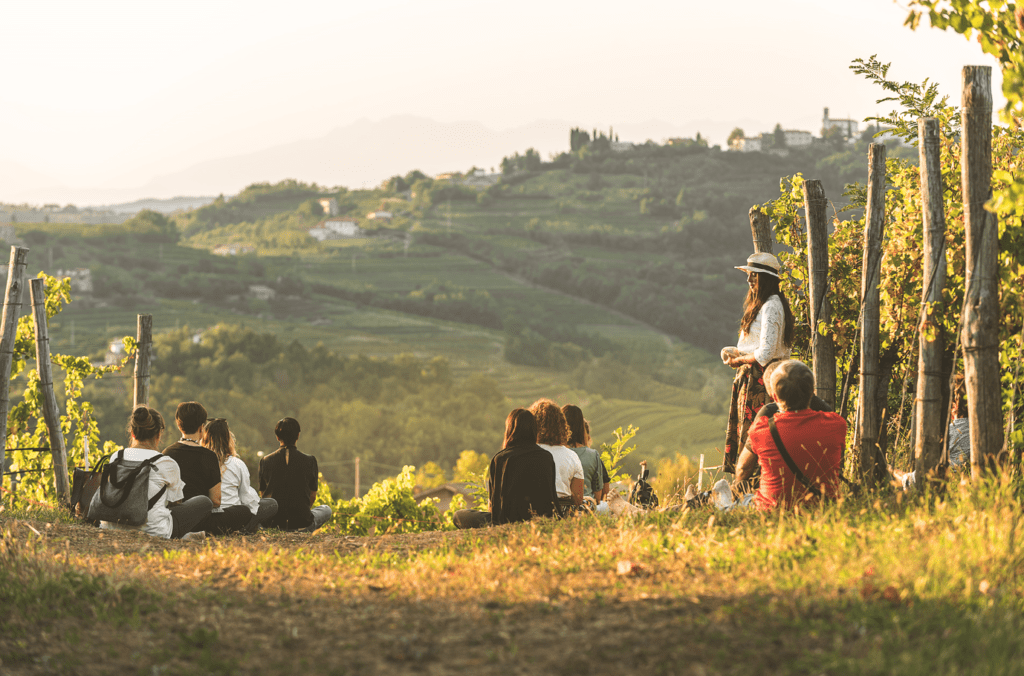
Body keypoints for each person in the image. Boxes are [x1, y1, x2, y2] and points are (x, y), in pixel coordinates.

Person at [734, 360, 846, 510]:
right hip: (824, 508)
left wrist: (738, 489)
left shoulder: (762, 428)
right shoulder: (837, 424)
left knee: (722, 499)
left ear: (774, 396)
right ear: (812, 391)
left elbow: (743, 469)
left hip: (772, 510)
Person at [722, 252, 796, 476]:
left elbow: (766, 352)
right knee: (752, 432)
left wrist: (739, 360)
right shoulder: (766, 304)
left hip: (760, 380)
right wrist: (738, 352)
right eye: (749, 275)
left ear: (765, 279)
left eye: (753, 276)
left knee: (755, 434)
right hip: (754, 375)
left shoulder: (771, 306)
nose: (749, 280)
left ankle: (752, 483)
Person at [100, 405, 212, 540]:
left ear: (133, 433)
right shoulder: (166, 463)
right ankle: (184, 536)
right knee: (205, 502)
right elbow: (175, 504)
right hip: (154, 531)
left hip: (111, 526)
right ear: (159, 434)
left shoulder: (116, 457)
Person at [452, 408, 558, 529]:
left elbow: (492, 506)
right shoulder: (546, 457)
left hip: (506, 521)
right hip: (541, 518)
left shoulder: (501, 459)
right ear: (534, 430)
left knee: (458, 515)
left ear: (509, 430)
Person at [163, 401, 251, 535]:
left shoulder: (167, 453)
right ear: (202, 427)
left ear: (179, 425)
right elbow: (216, 500)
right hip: (202, 521)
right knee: (244, 512)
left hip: (175, 518)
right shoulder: (209, 456)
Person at [892, 374, 971, 489]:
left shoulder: (951, 432)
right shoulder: (981, 431)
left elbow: (915, 481)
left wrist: (891, 471)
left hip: (940, 487)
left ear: (954, 405)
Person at [200, 418, 278, 533]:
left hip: (210, 519)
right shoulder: (237, 464)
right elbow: (246, 498)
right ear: (228, 439)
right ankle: (245, 528)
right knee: (272, 504)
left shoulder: (201, 462)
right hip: (234, 516)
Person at [259, 417, 332, 532]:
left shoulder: (265, 461)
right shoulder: (310, 460)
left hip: (272, 524)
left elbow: (263, 495)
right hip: (302, 524)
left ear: (277, 437)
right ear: (298, 436)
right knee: (326, 509)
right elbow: (312, 496)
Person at [529, 399, 584, 512]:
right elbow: (578, 499)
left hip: (533, 511)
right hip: (561, 512)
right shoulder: (572, 456)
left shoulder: (528, 453)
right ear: (562, 425)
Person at [562, 404, 603, 503]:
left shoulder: (555, 453)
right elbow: (598, 496)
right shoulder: (593, 455)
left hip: (560, 508)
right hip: (586, 507)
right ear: (582, 426)